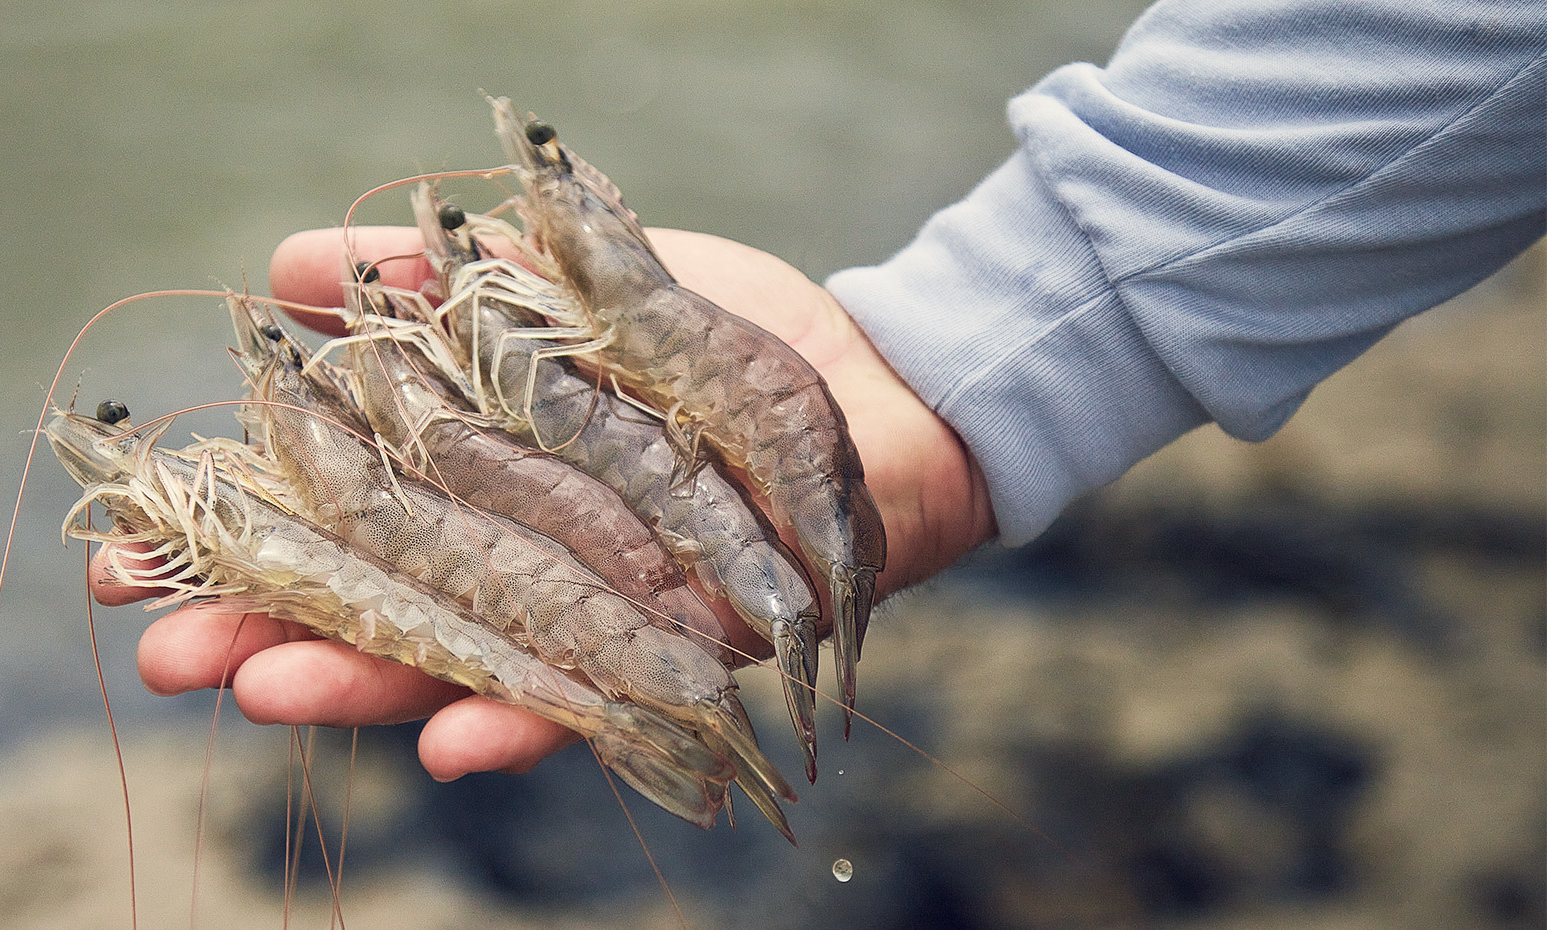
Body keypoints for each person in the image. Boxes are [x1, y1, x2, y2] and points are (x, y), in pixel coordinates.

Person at [94, 0, 1546, 782]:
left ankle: (786, 670)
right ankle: (769, 692)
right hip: (643, 491)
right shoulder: (521, 329)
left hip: (722, 485)